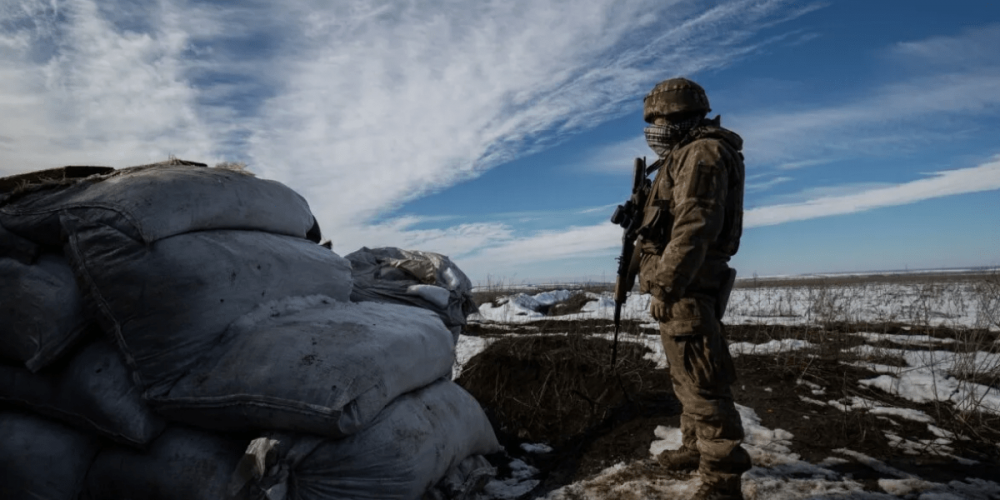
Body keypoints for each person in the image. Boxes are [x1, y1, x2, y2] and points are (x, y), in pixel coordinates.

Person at [636, 77, 750, 500]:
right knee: (686, 378)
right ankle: (694, 448)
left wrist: (664, 285)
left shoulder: (702, 153)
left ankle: (722, 481)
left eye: (659, 119)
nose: (653, 129)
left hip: (687, 285)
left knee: (704, 385)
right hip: (683, 285)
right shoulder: (683, 155)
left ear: (681, 115)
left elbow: (694, 225)